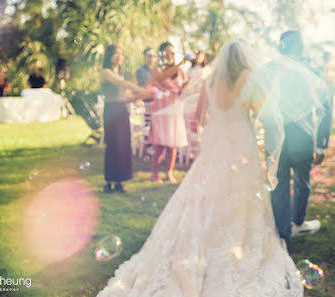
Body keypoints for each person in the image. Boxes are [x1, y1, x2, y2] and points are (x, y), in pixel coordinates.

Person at [96, 38, 304, 297]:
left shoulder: (211, 80)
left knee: (205, 192)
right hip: (240, 142)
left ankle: (202, 238)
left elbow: (198, 118)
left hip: (216, 143)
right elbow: (265, 113)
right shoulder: (247, 78)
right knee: (241, 192)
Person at [265, 31, 331, 244]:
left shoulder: (269, 71)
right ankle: (298, 223)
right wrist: (321, 145)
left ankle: (282, 233)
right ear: (300, 48)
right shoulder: (309, 72)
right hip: (302, 137)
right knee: (302, 181)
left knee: (279, 182)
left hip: (275, 137)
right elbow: (325, 109)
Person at [101, 45, 153, 193]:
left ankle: (119, 181)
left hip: (122, 111)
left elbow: (123, 98)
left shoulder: (119, 74)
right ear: (109, 56)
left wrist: (140, 96)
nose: (119, 57)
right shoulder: (106, 73)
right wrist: (142, 90)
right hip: (111, 111)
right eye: (115, 54)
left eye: (121, 54)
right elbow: (122, 84)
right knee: (112, 145)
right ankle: (108, 181)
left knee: (122, 146)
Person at [148, 41, 189, 183]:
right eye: (167, 52)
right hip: (161, 111)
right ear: (161, 54)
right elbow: (161, 78)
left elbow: (183, 87)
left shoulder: (179, 71)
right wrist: (181, 63)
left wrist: (186, 87)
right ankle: (155, 174)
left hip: (175, 110)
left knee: (173, 144)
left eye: (172, 52)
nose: (170, 55)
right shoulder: (156, 69)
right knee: (160, 144)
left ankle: (169, 173)